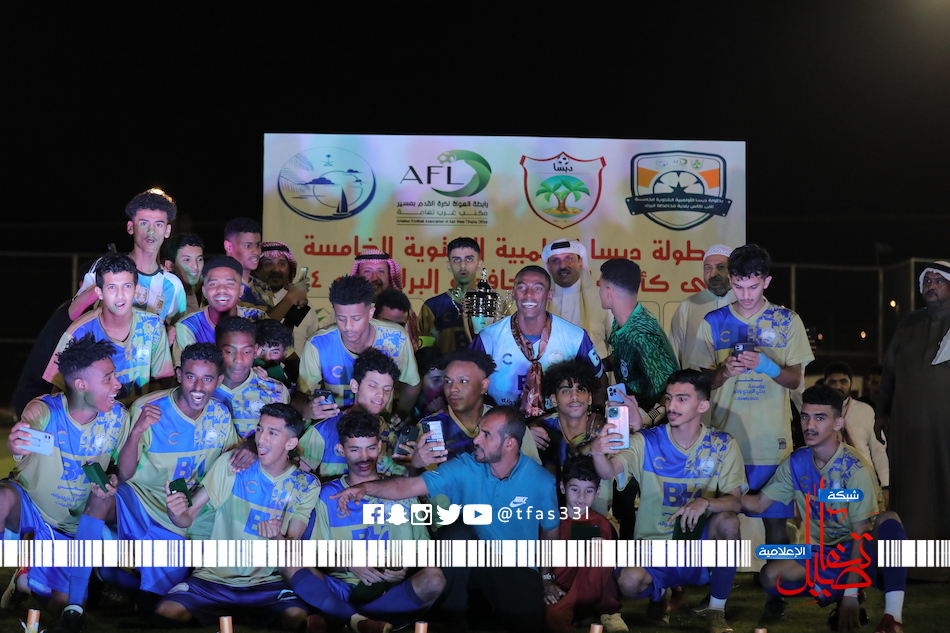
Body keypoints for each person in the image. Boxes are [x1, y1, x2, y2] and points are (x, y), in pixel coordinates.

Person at [330, 406, 560, 633]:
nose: (476, 439)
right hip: (470, 569)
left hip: (515, 569)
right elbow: (409, 486)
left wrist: (547, 576)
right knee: (456, 533)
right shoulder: (465, 465)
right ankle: (454, 617)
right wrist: (364, 488)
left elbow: (550, 530)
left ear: (509, 443)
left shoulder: (541, 481)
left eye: (486, 435)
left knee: (526, 605)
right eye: (478, 431)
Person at [65, 343, 241, 623]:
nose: (198, 386)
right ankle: (74, 603)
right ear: (179, 375)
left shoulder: (220, 416)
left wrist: (249, 448)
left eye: (207, 379)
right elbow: (124, 473)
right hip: (140, 500)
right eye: (191, 376)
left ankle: (107, 574)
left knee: (159, 603)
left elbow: (231, 462)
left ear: (218, 380)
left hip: (180, 514)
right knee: (101, 496)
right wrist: (137, 431)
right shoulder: (149, 407)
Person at [742, 385, 906, 633]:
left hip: (862, 552)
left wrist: (850, 595)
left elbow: (861, 534)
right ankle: (838, 591)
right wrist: (713, 501)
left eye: (820, 418)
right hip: (824, 554)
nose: (810, 425)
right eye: (805, 416)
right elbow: (757, 503)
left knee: (889, 520)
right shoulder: (797, 461)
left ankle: (892, 617)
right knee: (770, 576)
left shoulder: (856, 469)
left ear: (838, 422)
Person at [591, 370, 746, 633]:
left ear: (703, 406)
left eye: (682, 399)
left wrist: (706, 503)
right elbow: (607, 471)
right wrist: (597, 452)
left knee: (729, 522)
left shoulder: (723, 444)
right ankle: (660, 595)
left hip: (697, 546)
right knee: (628, 582)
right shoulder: (646, 441)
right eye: (669, 398)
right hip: (653, 546)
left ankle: (716, 611)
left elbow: (735, 502)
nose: (672, 406)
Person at [688, 244, 813, 548]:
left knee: (776, 524)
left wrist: (766, 365)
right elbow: (700, 385)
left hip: (772, 442)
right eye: (739, 286)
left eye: (753, 287)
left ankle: (776, 579)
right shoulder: (713, 322)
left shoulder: (787, 321)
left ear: (766, 281)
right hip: (725, 442)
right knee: (722, 521)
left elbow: (795, 379)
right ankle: (722, 580)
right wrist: (724, 372)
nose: (745, 295)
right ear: (731, 280)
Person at [1, 334, 129, 631]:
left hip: (73, 527)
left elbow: (122, 469)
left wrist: (113, 478)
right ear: (81, 385)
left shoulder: (118, 418)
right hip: (31, 509)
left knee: (64, 607)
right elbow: (26, 431)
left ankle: (25, 579)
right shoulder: (44, 409)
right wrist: (16, 443)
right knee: (2, 498)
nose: (118, 384)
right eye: (108, 378)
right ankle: (23, 560)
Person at [155, 404, 317, 630]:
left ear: (291, 443)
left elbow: (291, 550)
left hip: (267, 583)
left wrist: (275, 538)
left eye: (272, 433)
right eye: (259, 429)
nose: (261, 439)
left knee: (297, 617)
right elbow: (186, 518)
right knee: (167, 613)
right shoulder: (232, 464)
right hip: (213, 578)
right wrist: (175, 511)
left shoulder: (306, 485)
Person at [282, 410, 445, 633]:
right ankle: (361, 622)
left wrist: (404, 569)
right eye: (355, 449)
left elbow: (423, 550)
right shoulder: (326, 495)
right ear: (341, 450)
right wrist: (349, 564)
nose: (364, 457)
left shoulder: (402, 492)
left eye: (370, 448)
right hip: (337, 589)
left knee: (434, 578)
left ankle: (346, 620)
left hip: (387, 592)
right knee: (286, 558)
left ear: (379, 446)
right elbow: (310, 553)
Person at [876, 260, 950, 581]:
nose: (931, 286)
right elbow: (889, 372)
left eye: (938, 280)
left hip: (945, 429)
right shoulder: (908, 323)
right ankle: (912, 566)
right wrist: (882, 411)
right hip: (908, 428)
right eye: (927, 281)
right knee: (910, 492)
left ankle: (944, 566)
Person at [471, 265, 605, 415]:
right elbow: (469, 383)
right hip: (502, 422)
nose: (529, 294)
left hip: (558, 424)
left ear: (549, 295)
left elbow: (599, 378)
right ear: (513, 293)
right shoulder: (488, 337)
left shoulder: (575, 337)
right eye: (522, 288)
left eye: (537, 289)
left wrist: (598, 412)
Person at [44, 254, 174, 407]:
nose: (120, 295)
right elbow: (59, 390)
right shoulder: (79, 332)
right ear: (99, 292)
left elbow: (160, 383)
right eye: (112, 287)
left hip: (136, 416)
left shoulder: (153, 325)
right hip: (95, 417)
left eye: (127, 286)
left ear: (136, 290)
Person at [295, 275, 420, 420]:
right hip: (335, 424)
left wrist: (400, 415)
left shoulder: (396, 338)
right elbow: (300, 395)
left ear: (371, 313)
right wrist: (307, 411)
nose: (348, 327)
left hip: (378, 425)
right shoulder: (318, 344)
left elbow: (412, 384)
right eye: (341, 318)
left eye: (356, 318)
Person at [69, 188, 186, 324]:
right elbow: (73, 313)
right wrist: (106, 281)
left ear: (167, 230)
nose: (151, 231)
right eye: (144, 223)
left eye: (158, 224)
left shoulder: (173, 285)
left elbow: (179, 329)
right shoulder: (105, 265)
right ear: (130, 227)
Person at [545, 455, 627, 633]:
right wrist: (547, 584)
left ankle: (608, 612)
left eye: (588, 491)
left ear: (597, 492)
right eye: (575, 489)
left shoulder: (601, 523)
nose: (581, 496)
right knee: (553, 617)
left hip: (591, 591)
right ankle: (582, 616)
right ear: (562, 487)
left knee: (601, 549)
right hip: (560, 590)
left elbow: (606, 572)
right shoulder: (551, 522)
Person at [297, 349, 406, 480]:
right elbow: (297, 479)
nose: (381, 395)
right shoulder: (323, 431)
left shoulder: (393, 434)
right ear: (354, 386)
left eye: (387, 389)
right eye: (372, 386)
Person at [529, 359, 612, 516]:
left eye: (581, 389)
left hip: (596, 519)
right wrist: (524, 437)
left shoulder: (605, 431)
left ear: (590, 398)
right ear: (554, 399)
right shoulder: (540, 429)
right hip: (549, 516)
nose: (575, 396)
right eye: (566, 391)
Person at [599, 257, 679, 411]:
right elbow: (622, 358)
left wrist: (651, 419)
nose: (599, 292)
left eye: (600, 287)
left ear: (608, 292)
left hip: (653, 420)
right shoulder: (621, 321)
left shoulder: (642, 335)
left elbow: (672, 387)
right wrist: (593, 366)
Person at [173, 256, 267, 365]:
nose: (221, 290)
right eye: (213, 284)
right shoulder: (188, 327)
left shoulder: (257, 318)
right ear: (204, 291)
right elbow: (188, 371)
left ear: (241, 291)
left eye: (230, 284)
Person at [213, 316, 290, 438]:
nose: (238, 360)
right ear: (216, 349)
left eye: (246, 352)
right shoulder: (200, 388)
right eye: (229, 351)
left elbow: (281, 440)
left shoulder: (275, 392)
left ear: (255, 351)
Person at [823, 362, 888, 499]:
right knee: (830, 513)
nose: (838, 386)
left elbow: (878, 450)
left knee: (863, 513)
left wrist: (886, 485)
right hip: (827, 484)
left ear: (851, 383)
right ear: (825, 384)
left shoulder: (865, 410)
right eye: (832, 382)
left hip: (862, 482)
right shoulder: (817, 412)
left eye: (843, 382)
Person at [542, 238, 612, 362]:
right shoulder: (540, 300)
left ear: (580, 262)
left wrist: (597, 368)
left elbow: (617, 346)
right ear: (549, 267)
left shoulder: (602, 297)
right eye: (556, 260)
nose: (562, 265)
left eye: (568, 259)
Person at [668, 244, 736, 368]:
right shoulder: (688, 305)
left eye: (720, 267)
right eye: (708, 268)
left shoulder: (747, 303)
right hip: (695, 380)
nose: (713, 273)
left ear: (733, 271)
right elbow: (673, 352)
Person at [254, 241, 323, 351]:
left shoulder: (304, 304)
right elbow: (261, 333)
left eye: (281, 264)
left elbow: (316, 346)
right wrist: (291, 297)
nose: (276, 270)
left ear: (290, 271)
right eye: (268, 263)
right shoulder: (248, 300)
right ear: (256, 271)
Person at [419, 237, 484, 353]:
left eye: (469, 259)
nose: (463, 265)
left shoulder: (495, 304)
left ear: (479, 264)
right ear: (449, 265)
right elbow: (424, 354)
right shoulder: (432, 306)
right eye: (456, 260)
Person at [161, 232, 205, 315]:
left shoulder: (197, 293)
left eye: (199, 259)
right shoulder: (161, 297)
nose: (195, 266)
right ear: (169, 265)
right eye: (187, 260)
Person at [254, 318, 295, 387]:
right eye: (262, 351)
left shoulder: (284, 381)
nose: (266, 358)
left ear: (284, 354)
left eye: (275, 352)